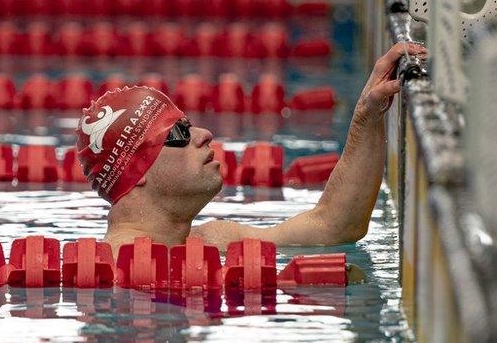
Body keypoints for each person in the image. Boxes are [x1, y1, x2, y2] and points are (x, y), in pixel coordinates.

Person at [76, 42, 426, 249]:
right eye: (178, 135)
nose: (203, 134)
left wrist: (367, 114)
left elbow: (334, 226)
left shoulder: (214, 240)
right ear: (135, 173)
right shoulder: (100, 269)